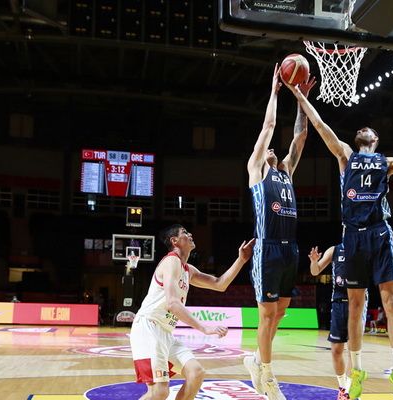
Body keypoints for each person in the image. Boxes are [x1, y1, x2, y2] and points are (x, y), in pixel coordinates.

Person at [285, 79, 393, 399]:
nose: (365, 130)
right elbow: (320, 126)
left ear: (375, 141)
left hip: (379, 233)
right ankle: (358, 370)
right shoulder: (345, 156)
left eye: (370, 130)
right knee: (356, 304)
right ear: (358, 140)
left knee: (390, 301)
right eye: (361, 130)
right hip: (352, 236)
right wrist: (300, 97)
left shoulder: (386, 164)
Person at [243, 65, 316, 400]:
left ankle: (256, 361)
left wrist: (301, 99)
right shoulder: (257, 170)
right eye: (269, 148)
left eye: (274, 149)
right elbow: (269, 127)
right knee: (267, 314)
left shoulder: (286, 170)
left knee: (280, 313)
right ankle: (268, 376)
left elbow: (300, 136)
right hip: (268, 249)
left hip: (290, 249)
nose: (272, 149)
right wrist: (275, 93)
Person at [130, 224, 254, 400]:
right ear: (174, 241)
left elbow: (220, 284)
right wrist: (204, 328)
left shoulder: (188, 270)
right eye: (185, 233)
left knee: (196, 373)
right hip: (149, 328)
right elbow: (173, 303)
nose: (190, 234)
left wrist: (241, 260)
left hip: (165, 332)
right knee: (159, 392)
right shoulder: (171, 261)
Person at [309, 244, 366, 400]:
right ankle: (342, 387)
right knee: (336, 349)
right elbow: (315, 271)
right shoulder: (334, 250)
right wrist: (314, 261)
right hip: (339, 302)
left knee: (353, 351)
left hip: (358, 302)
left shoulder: (365, 247)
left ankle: (349, 390)